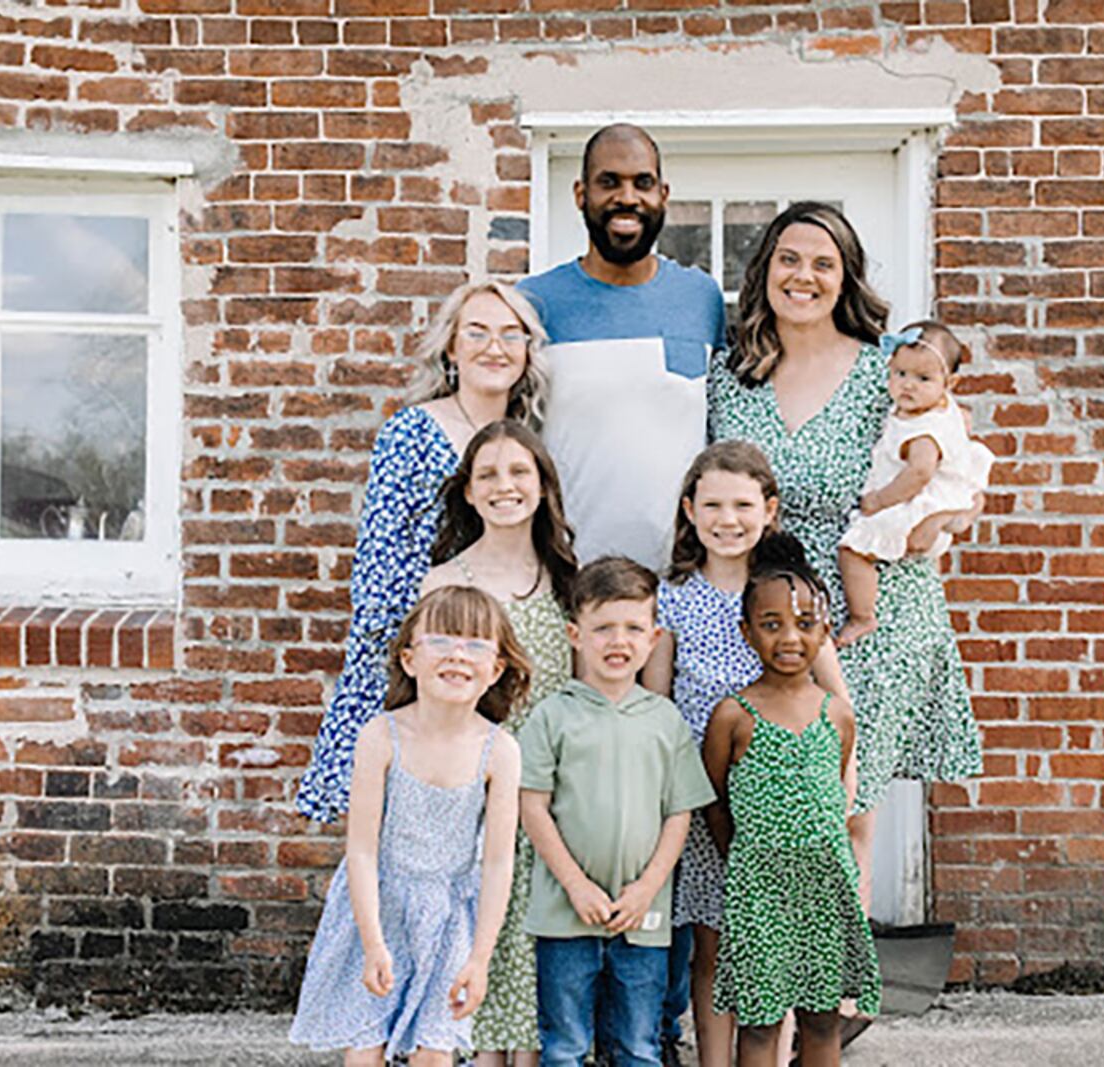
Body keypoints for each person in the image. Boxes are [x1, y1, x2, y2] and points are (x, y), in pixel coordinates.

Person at [705, 200, 984, 924]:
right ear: (764, 269)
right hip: (768, 610)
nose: (804, 277)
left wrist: (952, 517)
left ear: (846, 277)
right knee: (774, 808)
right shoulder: (729, 375)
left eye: (823, 263)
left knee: (848, 810)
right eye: (789, 260)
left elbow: (956, 464)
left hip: (876, 607)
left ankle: (838, 997)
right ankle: (783, 994)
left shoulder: (887, 372)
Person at [296, 280, 548, 824]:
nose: (494, 347)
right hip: (420, 656)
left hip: (489, 659)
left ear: (528, 352)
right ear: (451, 348)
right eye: (476, 333)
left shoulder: (528, 438)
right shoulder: (413, 431)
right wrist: (411, 668)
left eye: (511, 334)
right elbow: (378, 563)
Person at [642, 445, 849, 1067]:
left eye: (742, 504)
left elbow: (837, 703)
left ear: (769, 510)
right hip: (707, 800)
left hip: (787, 810)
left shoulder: (790, 596)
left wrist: (837, 800)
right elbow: (655, 703)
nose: (726, 519)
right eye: (712, 505)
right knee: (715, 947)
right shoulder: (674, 596)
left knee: (779, 949)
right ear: (689, 510)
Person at [289, 586, 528, 1066]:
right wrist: (374, 941)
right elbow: (361, 851)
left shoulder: (499, 751)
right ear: (409, 659)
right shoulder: (382, 737)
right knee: (364, 1048)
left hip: (449, 920)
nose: (458, 654)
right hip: (378, 910)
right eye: (441, 640)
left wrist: (480, 959)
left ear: (497, 668)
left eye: (476, 644)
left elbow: (499, 863)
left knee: (435, 1054)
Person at [417, 420, 579, 1067]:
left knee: (538, 948)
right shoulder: (445, 583)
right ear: (467, 491)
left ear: (542, 487)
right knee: (480, 935)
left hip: (550, 796)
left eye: (519, 472)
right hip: (475, 793)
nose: (504, 485)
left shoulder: (567, 579)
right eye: (487, 473)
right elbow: (422, 699)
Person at [519, 557, 717, 1067]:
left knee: (638, 1046)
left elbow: (679, 815)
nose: (618, 641)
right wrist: (576, 885)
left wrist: (648, 886)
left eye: (633, 628)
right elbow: (533, 807)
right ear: (574, 635)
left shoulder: (664, 719)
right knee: (563, 1046)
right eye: (603, 627)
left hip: (642, 914)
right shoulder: (552, 715)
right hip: (565, 913)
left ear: (653, 640)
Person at [702, 535, 880, 1067]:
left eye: (805, 624)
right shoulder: (734, 715)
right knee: (759, 1022)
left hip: (824, 885)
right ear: (747, 632)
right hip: (760, 889)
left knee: (822, 1019)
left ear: (825, 632)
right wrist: (748, 860)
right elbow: (715, 803)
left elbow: (837, 791)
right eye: (772, 623)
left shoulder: (836, 715)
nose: (789, 638)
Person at [519, 124, 726, 571]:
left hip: (681, 579)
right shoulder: (533, 303)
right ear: (580, 194)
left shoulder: (700, 298)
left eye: (642, 183)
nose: (627, 197)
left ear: (663, 194)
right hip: (566, 576)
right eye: (609, 182)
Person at [837, 322, 995, 647]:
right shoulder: (941, 408)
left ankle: (862, 615)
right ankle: (952, 514)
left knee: (853, 550)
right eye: (900, 374)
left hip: (917, 502)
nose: (908, 386)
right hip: (947, 492)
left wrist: (879, 501)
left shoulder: (922, 431)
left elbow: (919, 474)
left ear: (949, 383)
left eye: (923, 379)